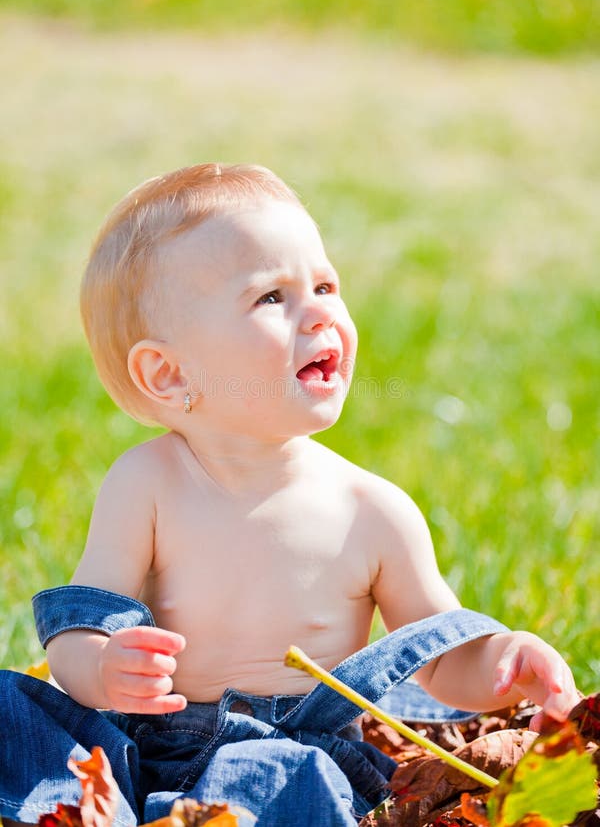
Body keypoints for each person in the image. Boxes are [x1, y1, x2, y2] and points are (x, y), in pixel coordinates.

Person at [1, 164, 579, 827]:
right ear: (167, 372)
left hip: (291, 757)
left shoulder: (371, 511)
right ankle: (91, 810)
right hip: (142, 744)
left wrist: (502, 659)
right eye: (272, 297)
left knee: (279, 779)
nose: (321, 312)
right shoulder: (145, 484)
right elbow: (80, 626)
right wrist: (103, 668)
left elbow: (441, 663)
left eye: (325, 284)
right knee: (10, 709)